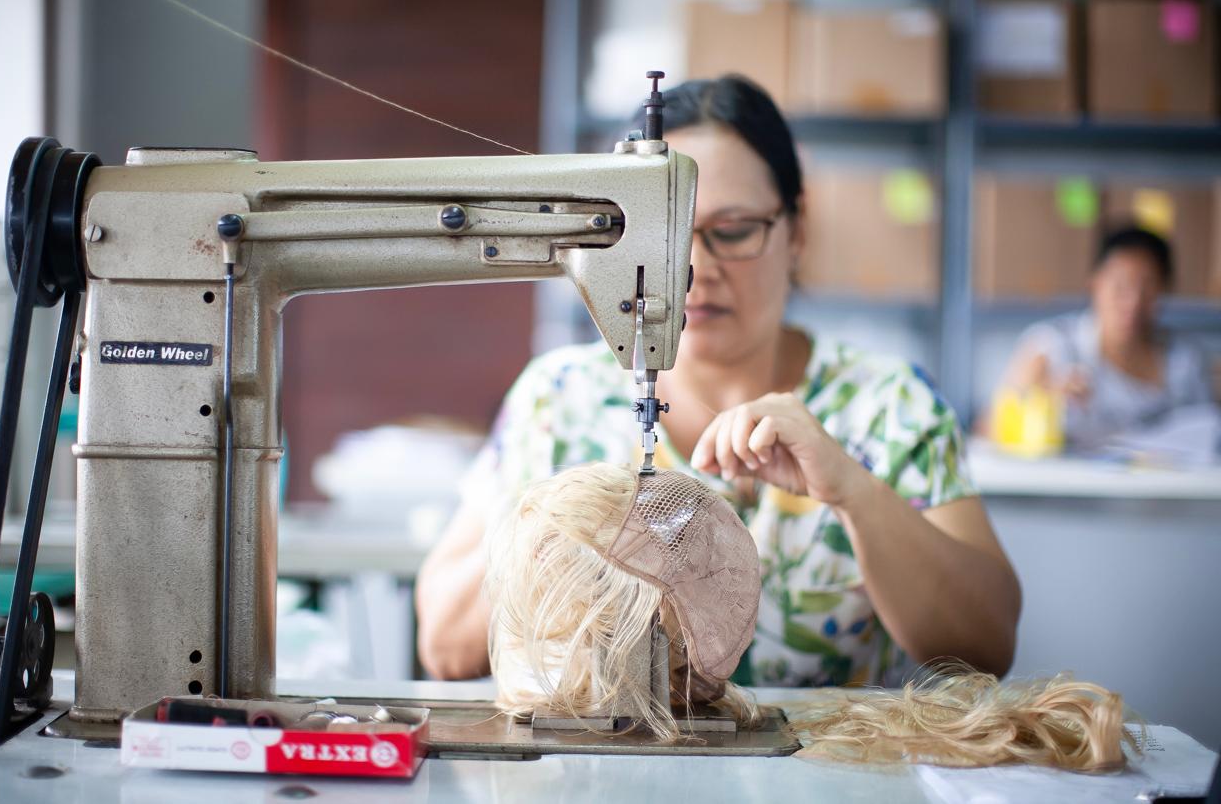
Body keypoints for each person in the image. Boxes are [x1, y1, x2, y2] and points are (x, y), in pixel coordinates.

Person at [416, 75, 1021, 687]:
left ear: (798, 232)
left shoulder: (887, 407)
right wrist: (553, 527)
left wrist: (855, 494)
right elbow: (445, 649)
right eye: (665, 238)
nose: (695, 271)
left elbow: (987, 646)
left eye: (732, 231)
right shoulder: (559, 401)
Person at [995, 225, 1216, 452]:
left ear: (1165, 291)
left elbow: (1207, 437)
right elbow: (989, 428)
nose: (1133, 303)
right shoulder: (1052, 346)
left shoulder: (1185, 359)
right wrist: (1042, 400)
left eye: (1147, 289)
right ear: (1095, 283)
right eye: (1120, 287)